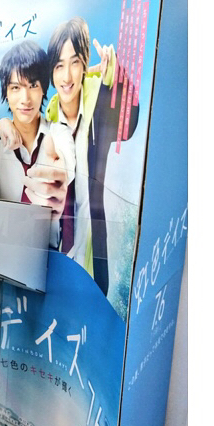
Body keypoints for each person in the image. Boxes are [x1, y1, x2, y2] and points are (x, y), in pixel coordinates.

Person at [45, 17, 139, 295]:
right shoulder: (50, 117)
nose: (67, 77)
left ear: (85, 63)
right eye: (59, 65)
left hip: (92, 243)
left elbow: (128, 124)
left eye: (74, 62)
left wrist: (116, 76)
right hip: (58, 249)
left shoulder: (99, 98)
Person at [0, 41, 75, 250]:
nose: (25, 99)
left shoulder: (59, 134)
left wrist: (60, 178)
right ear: (6, 92)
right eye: (16, 88)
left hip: (47, 252)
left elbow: (66, 166)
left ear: (44, 89)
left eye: (33, 86)